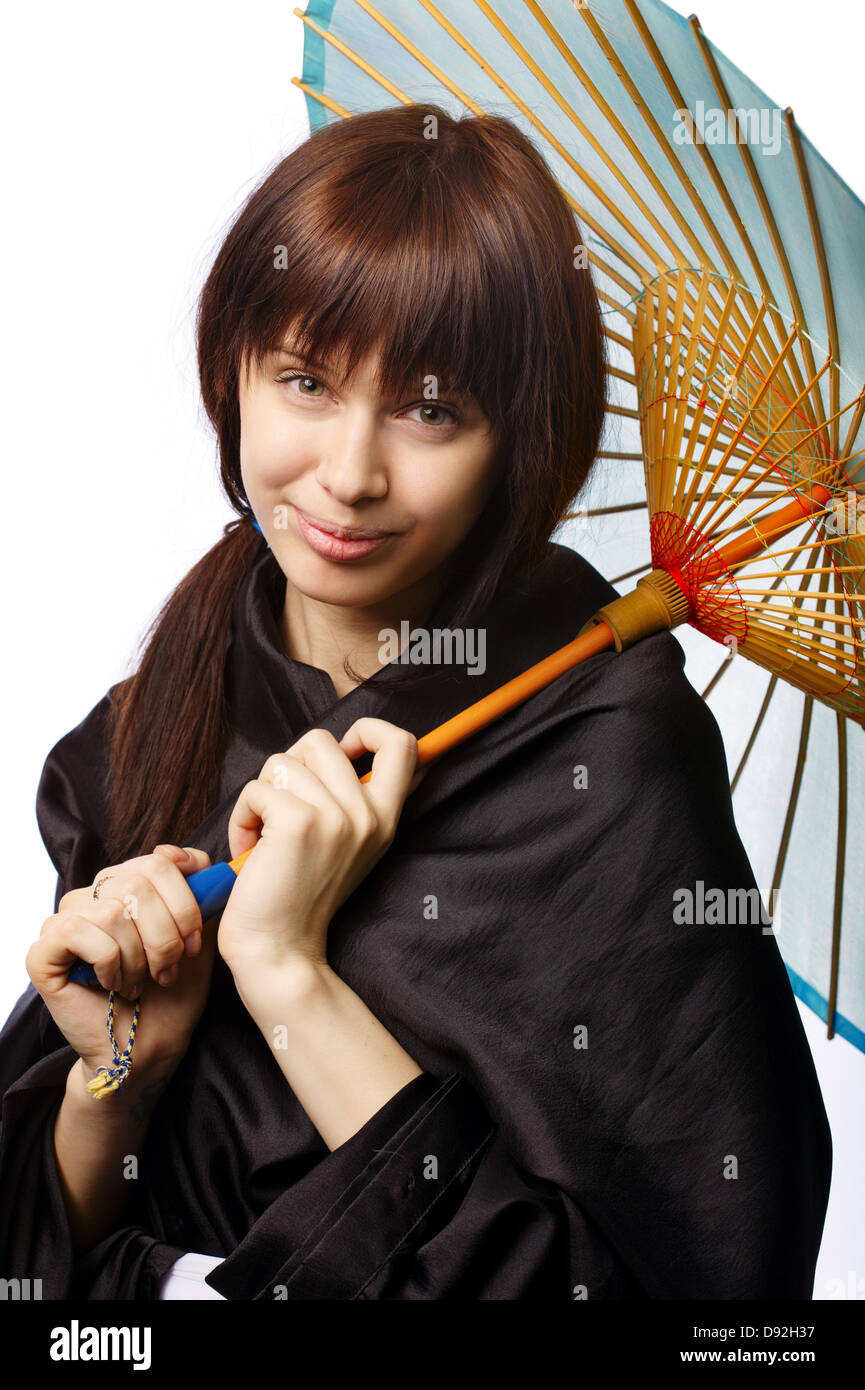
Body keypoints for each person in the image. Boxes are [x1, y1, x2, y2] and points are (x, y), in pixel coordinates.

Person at [0, 105, 831, 1300]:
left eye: (431, 410)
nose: (348, 474)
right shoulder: (140, 728)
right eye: (306, 381)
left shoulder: (612, 753)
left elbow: (682, 1291)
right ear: (229, 370)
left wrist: (288, 972)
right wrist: (125, 1067)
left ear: (520, 439)